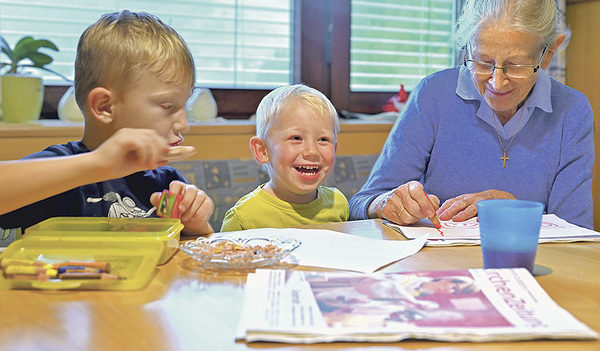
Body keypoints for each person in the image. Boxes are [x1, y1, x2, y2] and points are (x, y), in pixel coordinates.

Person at [349, 0, 594, 229]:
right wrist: (385, 203)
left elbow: (575, 232)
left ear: (548, 53)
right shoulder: (433, 94)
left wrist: (513, 210)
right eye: (483, 62)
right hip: (439, 266)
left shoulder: (572, 110)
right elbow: (360, 204)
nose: (497, 83)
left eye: (515, 65)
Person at [0, 10, 214, 234]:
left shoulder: (167, 182)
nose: (183, 124)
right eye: (168, 106)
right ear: (104, 107)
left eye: (185, 106)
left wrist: (195, 224)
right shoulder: (62, 171)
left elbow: (192, 253)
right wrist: (98, 163)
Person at [220, 84, 348, 231]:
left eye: (323, 140)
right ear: (262, 150)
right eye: (296, 138)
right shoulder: (243, 218)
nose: (312, 151)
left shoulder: (339, 204)